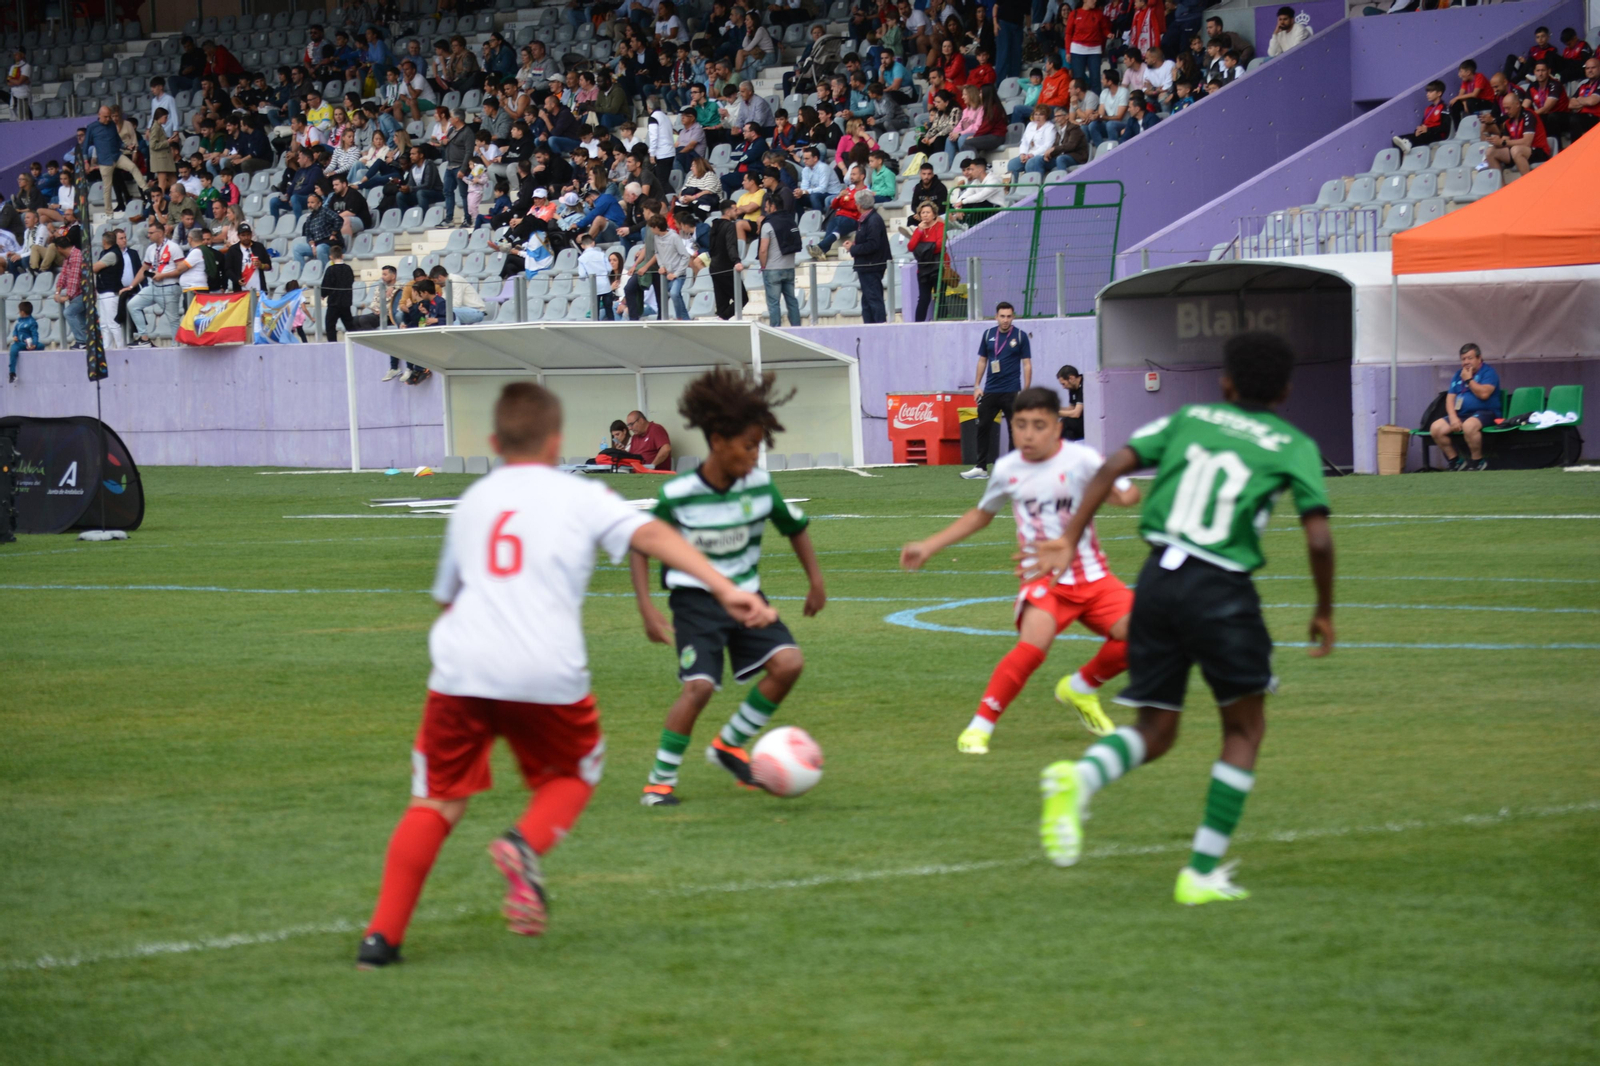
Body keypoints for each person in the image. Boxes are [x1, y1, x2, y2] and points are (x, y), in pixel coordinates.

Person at [356, 382, 776, 967]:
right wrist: (728, 587)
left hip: (462, 666)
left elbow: (448, 596)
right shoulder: (579, 495)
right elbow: (649, 533)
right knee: (575, 774)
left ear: (493, 441)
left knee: (437, 799)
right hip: (545, 669)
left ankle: (380, 940)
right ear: (556, 441)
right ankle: (523, 844)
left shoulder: (475, 501)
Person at [1033, 332, 1335, 905]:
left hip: (1157, 582)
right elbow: (1318, 536)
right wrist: (1323, 609)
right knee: (1245, 729)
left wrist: (1071, 537)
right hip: (1220, 588)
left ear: (1225, 382)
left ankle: (1081, 777)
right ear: (1287, 391)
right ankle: (1199, 873)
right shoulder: (1292, 443)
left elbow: (1117, 461)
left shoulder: (1191, 417)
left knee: (1157, 729)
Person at [900, 388, 1141, 752]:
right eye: (1020, 425)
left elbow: (1127, 494)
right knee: (1033, 645)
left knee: (1145, 635)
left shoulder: (1083, 458)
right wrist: (930, 544)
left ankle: (1080, 688)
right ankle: (980, 727)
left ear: (1057, 429)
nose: (1028, 434)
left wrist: (1119, 493)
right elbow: (982, 514)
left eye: (1039, 426)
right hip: (1043, 577)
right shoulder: (1009, 469)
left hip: (1093, 576)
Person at [629, 368, 825, 807]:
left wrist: (816, 582)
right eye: (749, 445)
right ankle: (659, 783)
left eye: (760, 445)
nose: (756, 456)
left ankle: (729, 744)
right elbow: (640, 544)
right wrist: (646, 608)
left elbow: (794, 527)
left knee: (789, 664)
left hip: (748, 598)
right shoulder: (679, 494)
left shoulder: (760, 487)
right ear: (717, 441)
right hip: (695, 604)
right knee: (698, 688)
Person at [961, 302, 1033, 480]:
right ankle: (981, 468)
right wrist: (977, 386)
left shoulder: (1020, 336)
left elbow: (1027, 364)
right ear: (996, 317)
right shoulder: (988, 335)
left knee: (1013, 429)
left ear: (1013, 317)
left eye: (1009, 316)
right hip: (990, 390)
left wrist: (1026, 389)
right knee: (983, 426)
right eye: (1002, 316)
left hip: (1012, 391)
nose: (1005, 320)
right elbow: (983, 360)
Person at [1427, 342, 1502, 471]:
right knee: (1436, 428)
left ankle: (1477, 462)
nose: (1466, 362)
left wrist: (1468, 380)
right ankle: (1456, 462)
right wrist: (1453, 417)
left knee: (1469, 426)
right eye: (1463, 359)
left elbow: (1484, 394)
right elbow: (1450, 399)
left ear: (1479, 358)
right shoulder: (1458, 375)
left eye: (1470, 358)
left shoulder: (1489, 372)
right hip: (1462, 414)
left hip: (1486, 412)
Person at [758, 194, 801, 327]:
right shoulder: (791, 221)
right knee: (792, 301)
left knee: (773, 302)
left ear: (773, 206)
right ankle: (797, 328)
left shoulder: (768, 224)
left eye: (767, 207)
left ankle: (775, 330)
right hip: (789, 267)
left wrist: (763, 266)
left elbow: (763, 249)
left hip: (772, 269)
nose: (765, 210)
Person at [847, 189, 889, 324]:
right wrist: (856, 244)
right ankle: (870, 328)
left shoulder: (873, 220)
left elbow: (872, 245)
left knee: (873, 300)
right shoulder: (869, 219)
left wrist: (853, 248)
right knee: (867, 302)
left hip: (871, 265)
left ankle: (879, 328)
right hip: (868, 265)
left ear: (859, 204)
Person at [1487, 93, 1549, 175]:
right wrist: (1496, 142)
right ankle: (1503, 186)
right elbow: (1505, 141)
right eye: (1504, 108)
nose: (1506, 111)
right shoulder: (1508, 120)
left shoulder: (1529, 116)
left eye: (1508, 108)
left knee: (1516, 150)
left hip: (1538, 150)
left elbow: (1527, 142)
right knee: (1490, 152)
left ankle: (1528, 184)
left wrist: (1503, 142)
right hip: (1518, 151)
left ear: (1517, 104)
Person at [7, 300, 37, 383]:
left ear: (22, 312)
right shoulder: (19, 321)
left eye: (19, 311)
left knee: (40, 345)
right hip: (20, 343)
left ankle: (32, 347)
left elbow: (35, 334)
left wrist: (34, 344)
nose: (19, 313)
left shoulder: (32, 322)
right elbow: (15, 330)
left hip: (28, 343)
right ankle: (12, 373)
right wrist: (15, 336)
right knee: (13, 349)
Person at [1057, 365, 1085, 440]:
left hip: (1090, 422)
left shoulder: (1085, 385)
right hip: (1081, 421)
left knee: (1065, 422)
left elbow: (1076, 413)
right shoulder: (1072, 387)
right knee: (1068, 433)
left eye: (1063, 384)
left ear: (1071, 378)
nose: (1063, 387)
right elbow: (1071, 408)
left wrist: (1056, 413)